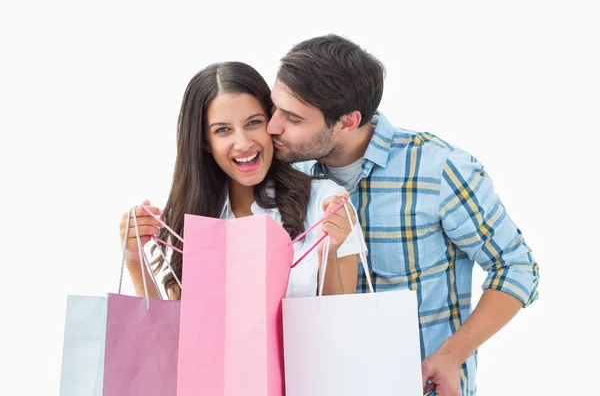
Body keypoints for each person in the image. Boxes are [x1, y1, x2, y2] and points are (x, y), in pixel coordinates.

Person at [266, 34, 540, 396]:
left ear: (348, 121)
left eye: (293, 118)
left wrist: (452, 354)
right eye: (274, 108)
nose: (272, 127)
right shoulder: (289, 177)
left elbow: (517, 266)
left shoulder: (439, 168)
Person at [119, 61, 367, 301]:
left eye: (254, 123)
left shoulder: (324, 203)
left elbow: (340, 325)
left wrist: (328, 255)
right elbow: (174, 333)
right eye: (223, 130)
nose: (244, 143)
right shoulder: (191, 217)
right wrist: (134, 259)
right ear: (205, 142)